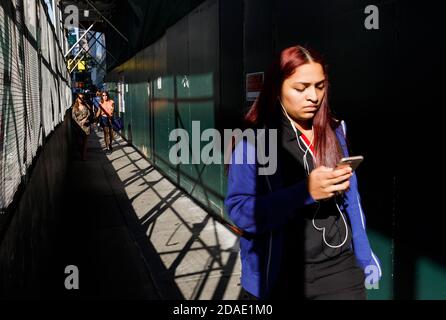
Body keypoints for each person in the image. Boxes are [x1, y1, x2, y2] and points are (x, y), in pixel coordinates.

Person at [225, 45, 382, 300]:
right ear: (277, 88)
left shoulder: (335, 132)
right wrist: (304, 192)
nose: (313, 96)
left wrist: (365, 255)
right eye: (301, 88)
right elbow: (241, 211)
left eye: (320, 86)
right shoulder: (253, 141)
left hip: (338, 270)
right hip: (279, 273)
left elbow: (352, 200)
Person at [71, 93, 91, 161]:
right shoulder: (74, 107)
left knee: (85, 143)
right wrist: (79, 123)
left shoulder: (86, 106)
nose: (81, 99)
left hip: (86, 126)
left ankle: (83, 156)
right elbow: (73, 117)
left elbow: (89, 113)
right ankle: (81, 152)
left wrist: (85, 120)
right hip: (77, 127)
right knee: (79, 142)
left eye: (82, 97)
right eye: (79, 98)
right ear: (77, 98)